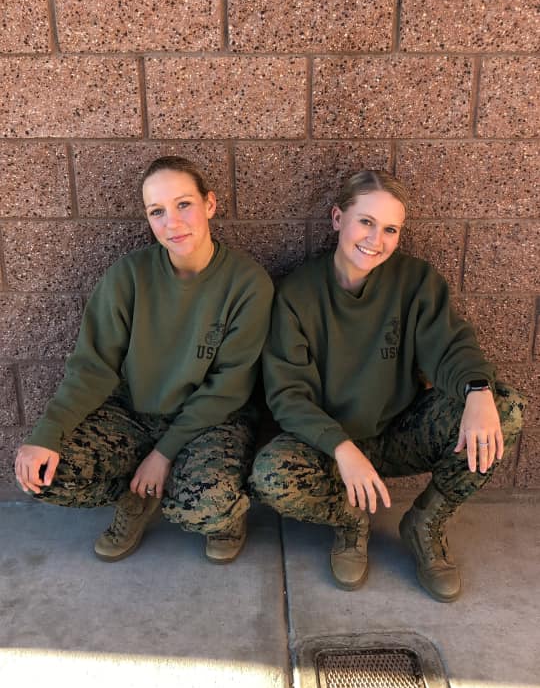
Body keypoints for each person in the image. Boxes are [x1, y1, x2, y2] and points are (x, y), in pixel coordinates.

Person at [250, 170, 525, 601]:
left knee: (504, 412)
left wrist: (477, 391)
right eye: (366, 221)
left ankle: (425, 523)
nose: (375, 239)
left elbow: (449, 345)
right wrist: (342, 449)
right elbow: (288, 395)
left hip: (400, 431)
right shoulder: (296, 294)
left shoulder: (414, 281)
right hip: (331, 443)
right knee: (270, 476)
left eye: (390, 229)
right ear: (338, 218)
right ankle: (349, 523)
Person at [15, 156, 273, 563]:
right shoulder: (128, 276)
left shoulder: (247, 283)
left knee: (206, 505)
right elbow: (92, 367)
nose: (172, 222)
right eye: (158, 211)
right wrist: (46, 434)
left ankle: (218, 513)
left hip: (213, 420)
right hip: (134, 413)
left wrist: (163, 454)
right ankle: (136, 498)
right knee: (48, 476)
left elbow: (228, 388)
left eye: (184, 204)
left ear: (210, 205)